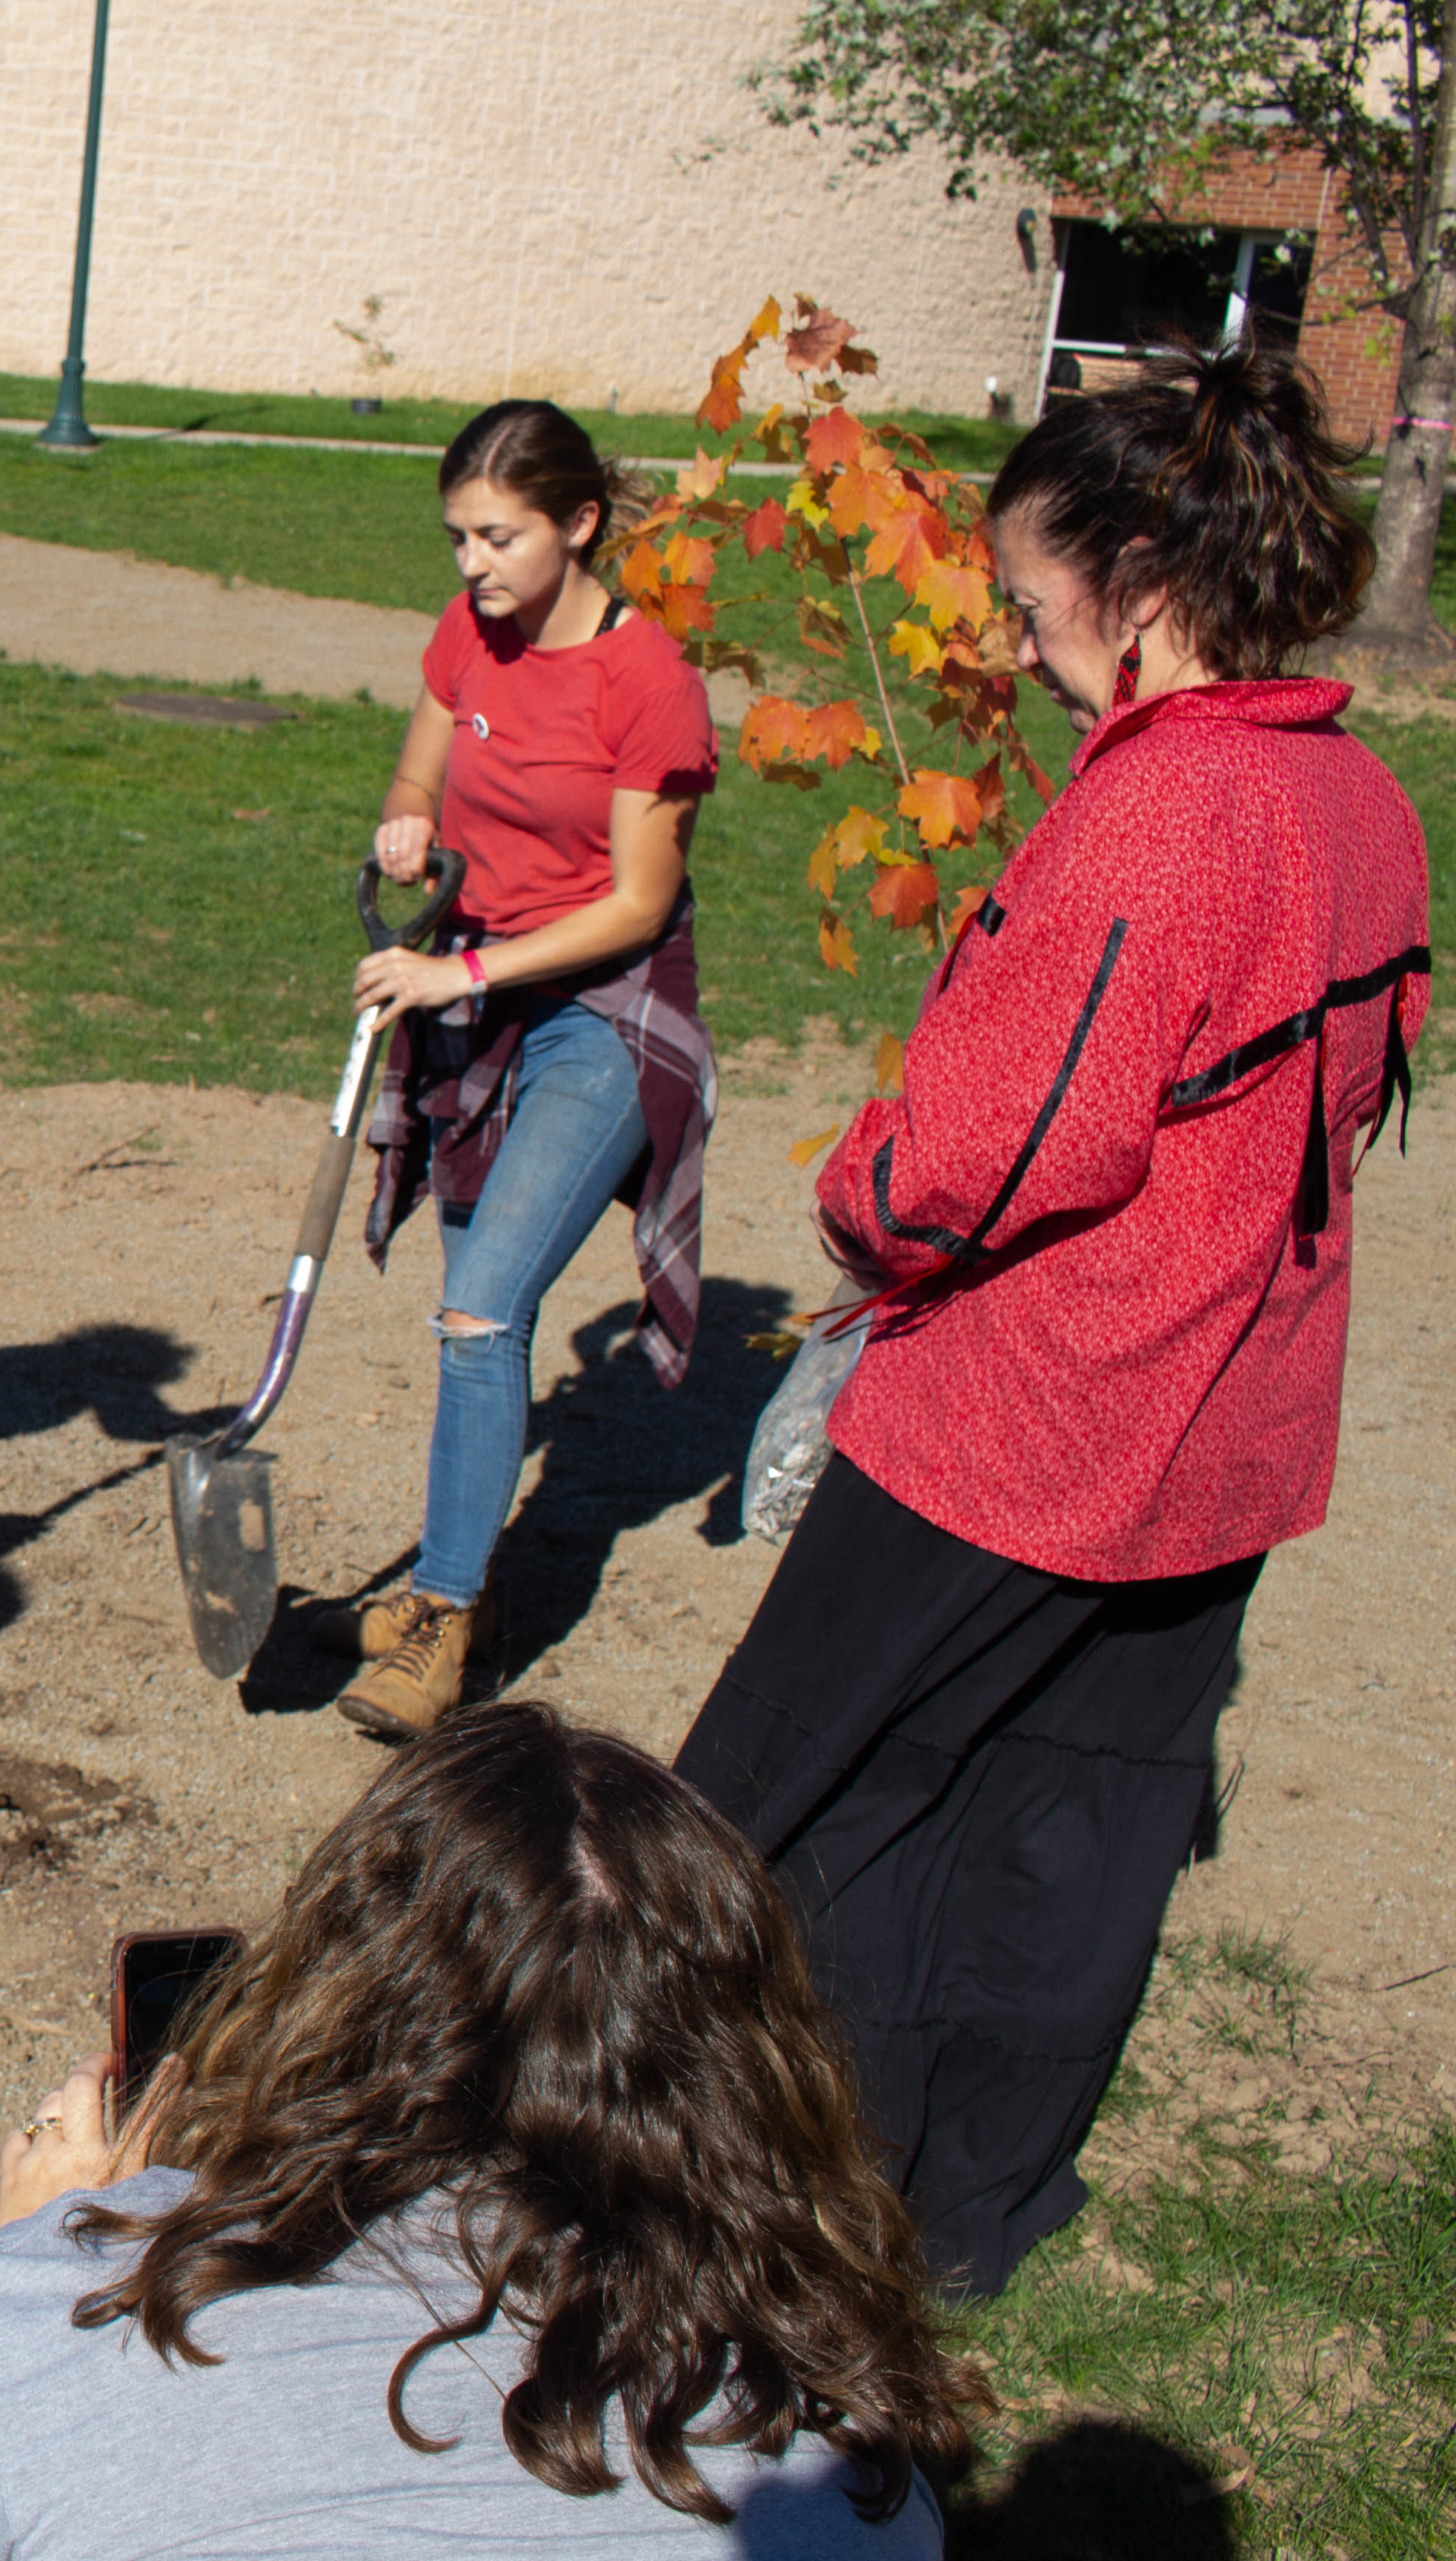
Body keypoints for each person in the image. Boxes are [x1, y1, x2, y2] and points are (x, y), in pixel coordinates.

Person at [674, 345, 1426, 2301]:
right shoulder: (1361, 798)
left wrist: (861, 1197)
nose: (1014, 649)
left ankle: (690, 2178)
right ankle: (953, 2211)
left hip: (1037, 1420)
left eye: (1030, 604)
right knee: (1070, 1830)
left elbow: (1010, 1155)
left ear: (1145, 581)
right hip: (1227, 1430)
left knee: (786, 1791)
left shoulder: (1169, 813)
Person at [0, 1704, 987, 2559]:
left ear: (341, 1992)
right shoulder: (830, 2439)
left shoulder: (52, 2315)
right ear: (738, 2059)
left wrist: (25, 2252)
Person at [334, 401, 722, 1738]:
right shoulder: (469, 637)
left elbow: (633, 902)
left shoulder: (644, 681)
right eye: (455, 536)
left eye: (495, 537)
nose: (470, 565)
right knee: (467, 1313)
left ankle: (440, 1619)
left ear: (577, 524)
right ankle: (466, 1583)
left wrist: (459, 974)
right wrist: (401, 818)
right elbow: (418, 762)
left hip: (598, 1016)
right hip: (479, 1004)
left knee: (482, 1305)